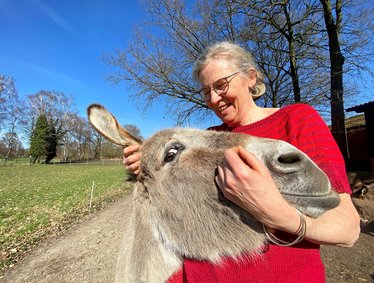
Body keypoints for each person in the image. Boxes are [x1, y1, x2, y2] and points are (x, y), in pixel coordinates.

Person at [123, 41, 360, 282]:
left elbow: (347, 230)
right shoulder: (208, 137)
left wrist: (277, 214)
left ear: (250, 77)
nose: (214, 99)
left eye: (221, 85)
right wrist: (148, 161)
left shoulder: (297, 119)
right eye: (206, 92)